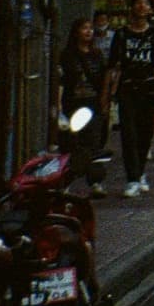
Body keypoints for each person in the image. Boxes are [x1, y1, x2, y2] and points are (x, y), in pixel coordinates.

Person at [104, 0, 154, 197]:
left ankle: (141, 171)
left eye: (146, 4)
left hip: (149, 89)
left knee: (144, 133)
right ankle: (132, 178)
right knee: (129, 134)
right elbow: (112, 66)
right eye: (138, 3)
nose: (142, 7)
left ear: (151, 10)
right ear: (132, 8)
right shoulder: (121, 35)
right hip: (127, 88)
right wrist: (107, 94)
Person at [55, 17, 110, 194]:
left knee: (93, 143)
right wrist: (59, 106)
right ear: (76, 31)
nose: (88, 31)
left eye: (90, 28)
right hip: (73, 103)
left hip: (92, 103)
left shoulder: (97, 54)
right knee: (70, 143)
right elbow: (61, 82)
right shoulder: (67, 55)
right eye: (84, 28)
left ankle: (95, 182)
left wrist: (105, 101)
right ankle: (66, 182)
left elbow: (104, 80)